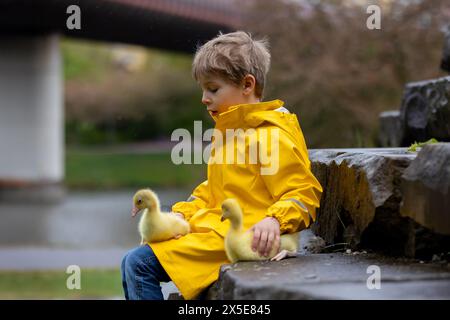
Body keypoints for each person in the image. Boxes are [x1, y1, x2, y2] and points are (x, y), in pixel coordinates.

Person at [121, 31, 323, 300]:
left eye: (213, 89)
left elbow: (302, 192)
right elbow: (213, 190)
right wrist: (183, 214)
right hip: (215, 231)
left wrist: (275, 220)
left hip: (242, 236)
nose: (205, 98)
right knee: (132, 262)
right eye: (203, 89)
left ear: (247, 85)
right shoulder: (230, 134)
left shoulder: (271, 135)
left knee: (138, 264)